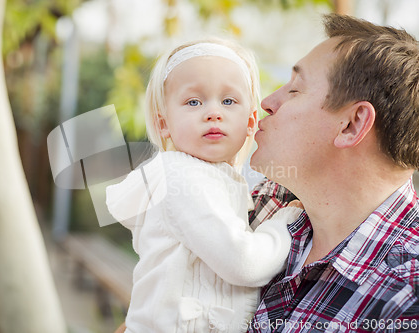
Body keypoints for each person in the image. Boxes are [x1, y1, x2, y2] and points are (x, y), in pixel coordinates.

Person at [106, 39, 302, 333]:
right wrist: (285, 221)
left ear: (250, 122)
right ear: (164, 124)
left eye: (228, 101)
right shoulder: (181, 177)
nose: (213, 112)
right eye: (193, 102)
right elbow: (243, 262)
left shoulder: (215, 178)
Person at [246, 14, 419, 332]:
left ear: (352, 124)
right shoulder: (264, 205)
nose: (268, 102)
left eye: (295, 90)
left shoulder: (407, 297)